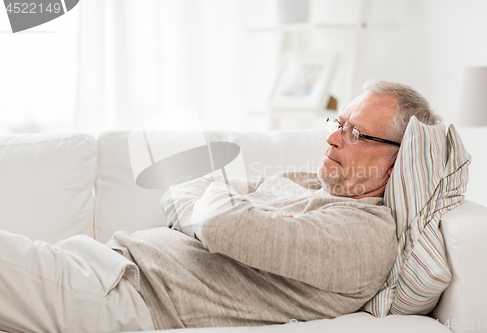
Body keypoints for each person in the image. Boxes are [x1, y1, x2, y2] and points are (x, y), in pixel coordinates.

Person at [0, 80, 442, 333]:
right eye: (338, 123)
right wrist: (219, 214)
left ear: (397, 160)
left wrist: (221, 213)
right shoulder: (308, 185)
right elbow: (184, 191)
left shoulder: (363, 237)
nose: (331, 137)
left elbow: (222, 224)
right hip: (103, 265)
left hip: (122, 297)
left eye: (356, 134)